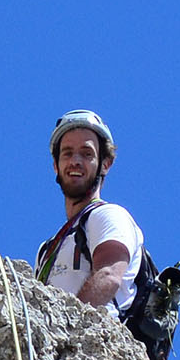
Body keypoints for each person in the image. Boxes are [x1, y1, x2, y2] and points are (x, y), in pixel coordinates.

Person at [35, 109, 143, 316]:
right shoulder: (47, 249)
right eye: (67, 153)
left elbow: (109, 274)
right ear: (56, 166)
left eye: (87, 154)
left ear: (105, 164)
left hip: (95, 339)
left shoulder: (108, 215)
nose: (75, 161)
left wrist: (68, 327)